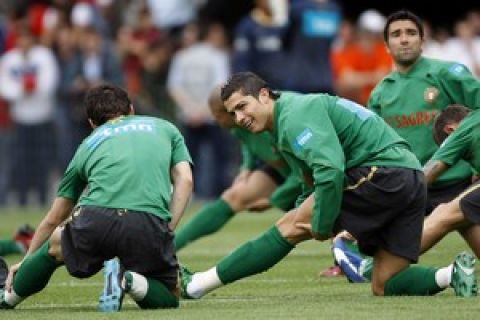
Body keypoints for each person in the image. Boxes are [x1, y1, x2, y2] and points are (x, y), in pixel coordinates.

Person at [179, 71, 475, 299]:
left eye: (243, 106)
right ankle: (452, 274)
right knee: (384, 282)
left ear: (265, 95)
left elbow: (330, 170)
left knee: (290, 225)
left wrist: (320, 224)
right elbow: (310, 179)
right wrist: (310, 207)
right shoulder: (285, 120)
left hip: (384, 174)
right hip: (410, 179)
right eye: (233, 113)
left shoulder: (295, 114)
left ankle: (198, 284)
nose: (239, 117)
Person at [0, 84, 193, 311]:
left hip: (94, 221)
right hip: (146, 223)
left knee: (55, 244)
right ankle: (127, 281)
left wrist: (27, 260)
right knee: (170, 295)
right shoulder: (165, 127)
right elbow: (186, 180)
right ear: (131, 109)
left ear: (91, 123)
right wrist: (167, 228)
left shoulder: (88, 144)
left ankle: (8, 298)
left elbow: (55, 216)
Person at [332, 105, 480, 297]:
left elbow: (426, 174)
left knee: (446, 212)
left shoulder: (465, 128)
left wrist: (379, 214)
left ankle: (371, 266)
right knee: (465, 214)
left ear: (450, 130)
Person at [368, 10, 480, 215]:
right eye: (396, 34)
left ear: (422, 40)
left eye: (411, 33)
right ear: (385, 45)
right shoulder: (379, 94)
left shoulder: (447, 73)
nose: (404, 40)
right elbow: (375, 149)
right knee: (377, 245)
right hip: (412, 189)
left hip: (460, 183)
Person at [175, 86, 302, 251]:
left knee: (309, 221)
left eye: (217, 115)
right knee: (234, 196)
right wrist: (246, 169)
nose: (215, 121)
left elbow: (302, 172)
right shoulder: (238, 126)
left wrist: (274, 200)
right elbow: (248, 144)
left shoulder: (271, 124)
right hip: (282, 170)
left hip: (305, 175)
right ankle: (170, 246)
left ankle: (342, 255)